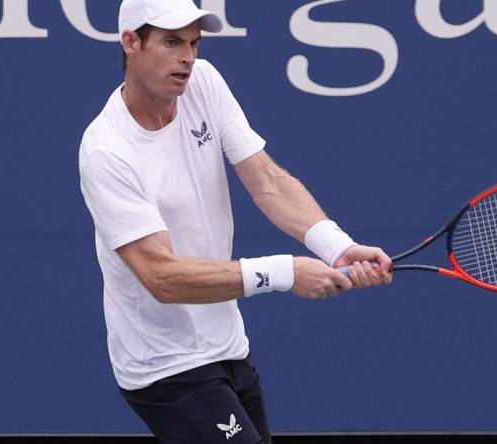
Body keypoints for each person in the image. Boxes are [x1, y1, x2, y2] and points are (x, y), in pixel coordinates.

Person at [78, 1, 393, 443]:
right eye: (171, 42)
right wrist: (285, 273)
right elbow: (162, 277)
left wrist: (334, 245)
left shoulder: (203, 83)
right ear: (131, 42)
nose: (187, 57)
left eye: (193, 43)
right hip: (165, 366)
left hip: (227, 344)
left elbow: (266, 181)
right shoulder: (107, 152)